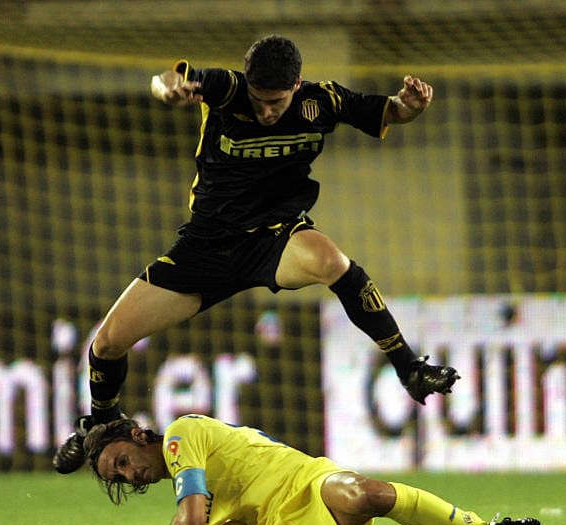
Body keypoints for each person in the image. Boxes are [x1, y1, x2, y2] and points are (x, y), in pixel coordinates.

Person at [53, 34, 460, 474]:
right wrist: (167, 88)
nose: (266, 111)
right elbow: (170, 79)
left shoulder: (322, 101)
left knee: (333, 264)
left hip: (274, 238)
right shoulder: (228, 90)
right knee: (107, 343)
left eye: (276, 102)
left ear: (297, 85)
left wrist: (408, 107)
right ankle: (100, 423)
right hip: (205, 247)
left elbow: (389, 111)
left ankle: (409, 368)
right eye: (259, 100)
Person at [84, 414, 543, 525]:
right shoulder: (194, 489)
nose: (129, 474)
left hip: (310, 485)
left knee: (364, 492)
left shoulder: (181, 435)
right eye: (118, 477)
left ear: (138, 435)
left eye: (122, 461)